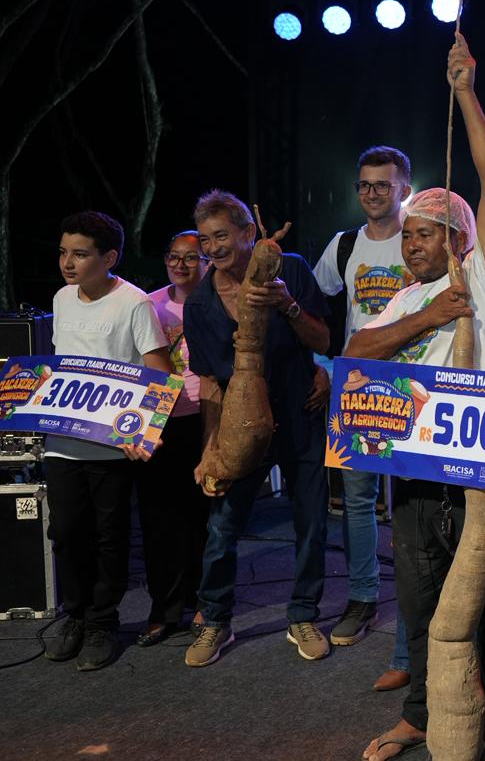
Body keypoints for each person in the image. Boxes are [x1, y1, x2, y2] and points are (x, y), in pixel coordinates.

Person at [352, 35, 485, 761]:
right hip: (415, 472)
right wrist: (426, 318)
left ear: (457, 239)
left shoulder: (484, 278)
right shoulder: (403, 301)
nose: (411, 246)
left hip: (483, 467)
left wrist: (465, 94)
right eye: (407, 237)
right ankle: (422, 715)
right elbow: (355, 355)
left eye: (425, 235)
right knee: (421, 601)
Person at [182, 189, 332, 667]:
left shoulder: (291, 269)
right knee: (223, 525)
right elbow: (210, 383)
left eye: (221, 236)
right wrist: (211, 448)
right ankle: (215, 620)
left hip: (299, 412)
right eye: (205, 240)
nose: (212, 248)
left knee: (311, 520)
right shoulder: (200, 304)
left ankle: (302, 615)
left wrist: (288, 305)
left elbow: (323, 339)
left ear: (249, 232)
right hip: (240, 425)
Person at [42, 211, 171, 671]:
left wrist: (144, 432)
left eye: (80, 254)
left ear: (109, 257)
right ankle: (75, 615)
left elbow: (159, 373)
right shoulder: (61, 298)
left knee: (109, 536)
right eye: (63, 252)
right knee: (65, 532)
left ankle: (101, 622)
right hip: (62, 440)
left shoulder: (134, 304)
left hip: (111, 446)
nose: (67, 263)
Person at [314, 145, 415, 652]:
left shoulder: (420, 239)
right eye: (365, 185)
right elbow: (314, 304)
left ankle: (417, 603)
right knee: (357, 500)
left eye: (383, 185)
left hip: (415, 383)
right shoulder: (345, 245)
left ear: (404, 190)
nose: (372, 193)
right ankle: (362, 595)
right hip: (359, 384)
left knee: (414, 502)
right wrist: (322, 364)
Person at [135, 230, 214, 647]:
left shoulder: (220, 299)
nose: (180, 265)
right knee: (159, 516)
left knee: (204, 515)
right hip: (160, 419)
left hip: (206, 416)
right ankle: (163, 608)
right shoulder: (148, 304)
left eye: (191, 257)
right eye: (173, 256)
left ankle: (204, 603)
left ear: (208, 262)